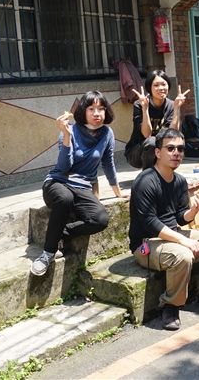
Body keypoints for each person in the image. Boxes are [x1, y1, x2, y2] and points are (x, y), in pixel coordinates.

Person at [128, 128, 199, 330]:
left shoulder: (179, 181)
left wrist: (193, 210)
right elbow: (150, 222)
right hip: (146, 244)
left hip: (172, 234)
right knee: (183, 256)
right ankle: (170, 306)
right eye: (170, 148)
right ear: (158, 152)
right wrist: (183, 240)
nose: (176, 153)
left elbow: (179, 217)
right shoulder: (145, 181)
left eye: (180, 149)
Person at [32, 91, 123, 276]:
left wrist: (118, 192)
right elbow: (64, 167)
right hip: (57, 183)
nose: (97, 113)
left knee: (100, 219)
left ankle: (59, 233)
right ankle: (47, 253)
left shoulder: (107, 133)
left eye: (101, 109)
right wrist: (66, 135)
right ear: (83, 111)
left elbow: (108, 163)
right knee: (65, 198)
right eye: (91, 109)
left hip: (82, 188)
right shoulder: (70, 131)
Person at [125, 70, 190, 170]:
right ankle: (147, 176)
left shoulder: (171, 105)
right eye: (156, 85)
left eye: (164, 84)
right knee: (152, 142)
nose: (161, 88)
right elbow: (147, 134)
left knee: (177, 142)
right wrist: (145, 109)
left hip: (160, 150)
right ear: (149, 88)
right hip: (137, 152)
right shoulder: (139, 104)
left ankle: (166, 174)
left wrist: (176, 108)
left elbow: (172, 134)